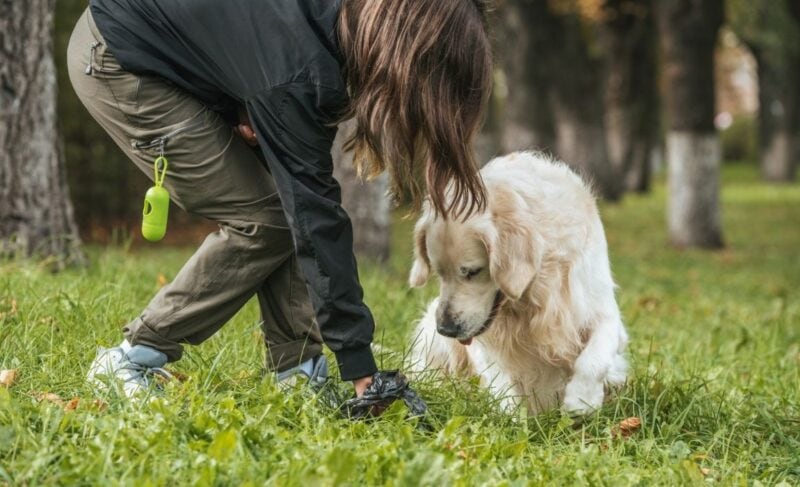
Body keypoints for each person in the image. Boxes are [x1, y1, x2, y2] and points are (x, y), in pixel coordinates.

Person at [67, 0, 493, 400]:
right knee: (265, 218)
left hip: (176, 57)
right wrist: (361, 367)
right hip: (118, 58)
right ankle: (132, 357)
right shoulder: (301, 66)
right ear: (404, 51)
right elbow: (315, 215)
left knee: (286, 202)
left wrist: (241, 94)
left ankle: (297, 373)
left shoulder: (331, 31)